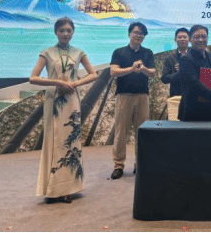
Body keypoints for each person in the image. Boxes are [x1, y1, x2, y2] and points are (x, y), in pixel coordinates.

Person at [30, 17, 98, 204]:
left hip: (72, 100)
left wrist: (75, 83)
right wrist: (58, 82)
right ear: (56, 32)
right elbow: (33, 78)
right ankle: (52, 189)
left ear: (73, 32)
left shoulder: (78, 52)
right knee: (55, 141)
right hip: (54, 101)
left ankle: (68, 188)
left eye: (69, 30)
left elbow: (93, 74)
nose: (65, 34)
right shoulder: (47, 52)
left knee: (71, 143)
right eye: (62, 30)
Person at [109, 22, 156, 180]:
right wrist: (131, 68)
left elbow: (152, 73)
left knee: (141, 132)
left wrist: (143, 69)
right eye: (136, 32)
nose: (138, 35)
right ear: (129, 34)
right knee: (121, 132)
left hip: (143, 96)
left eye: (142, 33)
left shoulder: (148, 53)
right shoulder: (119, 52)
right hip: (124, 96)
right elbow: (113, 72)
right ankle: (118, 165)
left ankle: (139, 164)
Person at [179, 25, 211, 121]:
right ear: (190, 39)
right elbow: (194, 84)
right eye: (197, 37)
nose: (200, 40)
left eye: (203, 37)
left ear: (207, 38)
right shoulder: (186, 59)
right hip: (193, 111)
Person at [161, 27, 189, 120]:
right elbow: (164, 78)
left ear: (189, 39)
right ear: (175, 40)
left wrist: (187, 69)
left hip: (193, 96)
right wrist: (180, 73)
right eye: (179, 37)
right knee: (175, 124)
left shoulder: (196, 56)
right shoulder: (170, 58)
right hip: (175, 96)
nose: (182, 39)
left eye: (184, 37)